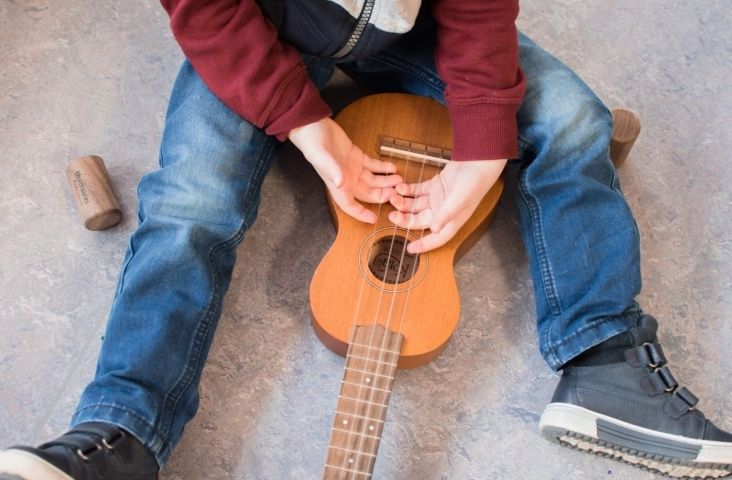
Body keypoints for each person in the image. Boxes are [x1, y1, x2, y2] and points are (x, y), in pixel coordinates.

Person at [0, 0, 730, 479]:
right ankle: (120, 432)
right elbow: (209, 10)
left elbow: (478, 14)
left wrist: (482, 150)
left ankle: (603, 362)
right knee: (192, 201)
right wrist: (308, 127)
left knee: (575, 121)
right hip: (258, 32)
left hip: (418, 28)